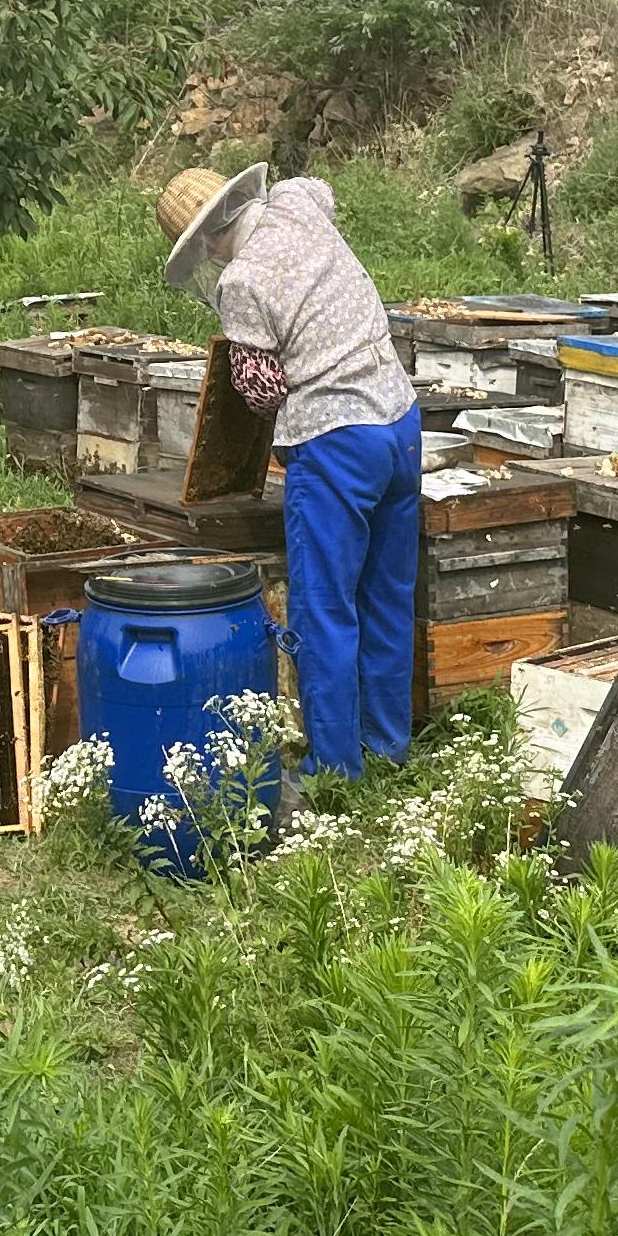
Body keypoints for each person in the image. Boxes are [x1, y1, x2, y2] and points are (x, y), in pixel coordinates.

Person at [159, 161, 423, 783]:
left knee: (324, 608)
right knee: (387, 597)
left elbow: (259, 388)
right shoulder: (298, 203)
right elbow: (321, 188)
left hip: (337, 441)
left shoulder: (242, 281)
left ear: (206, 240)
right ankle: (390, 750)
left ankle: (338, 773)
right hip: (402, 424)